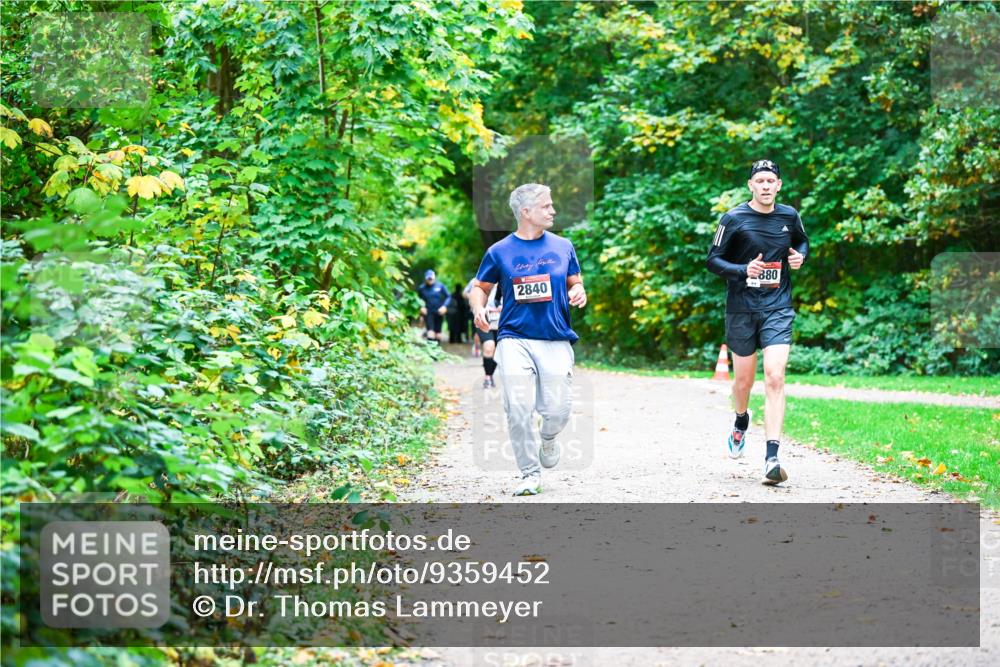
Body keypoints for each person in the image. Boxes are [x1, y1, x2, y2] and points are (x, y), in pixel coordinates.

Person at [470, 183, 587, 496]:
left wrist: (579, 290)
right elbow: (479, 288)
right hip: (514, 338)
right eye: (546, 206)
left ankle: (548, 439)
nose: (553, 211)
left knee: (558, 411)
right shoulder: (499, 251)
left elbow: (576, 281)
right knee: (517, 408)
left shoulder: (563, 246)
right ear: (526, 212)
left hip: (556, 337)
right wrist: (478, 309)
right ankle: (529, 474)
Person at [706, 159, 808, 485]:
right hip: (741, 308)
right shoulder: (733, 218)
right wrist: (741, 270)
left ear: (779, 185)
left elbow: (802, 241)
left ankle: (772, 457)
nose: (765, 186)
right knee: (743, 384)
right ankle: (740, 420)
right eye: (759, 181)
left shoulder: (789, 216)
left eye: (771, 181)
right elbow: (713, 260)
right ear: (751, 185)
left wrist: (800, 255)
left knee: (775, 377)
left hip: (778, 307)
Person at [476, 284, 503, 388]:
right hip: (484, 321)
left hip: (500, 323)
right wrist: (479, 308)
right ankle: (487, 377)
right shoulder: (479, 283)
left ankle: (490, 375)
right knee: (489, 346)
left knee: (496, 352)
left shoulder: (508, 282)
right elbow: (471, 298)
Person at [417, 269, 451, 343]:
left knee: (438, 333)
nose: (430, 280)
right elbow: (417, 300)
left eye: (431, 278)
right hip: (428, 312)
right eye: (428, 278)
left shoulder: (440, 286)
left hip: (439, 312)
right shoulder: (422, 288)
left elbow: (448, 297)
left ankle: (437, 351)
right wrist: (421, 307)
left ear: (434, 278)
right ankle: (431, 351)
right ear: (425, 279)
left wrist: (445, 306)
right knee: (430, 331)